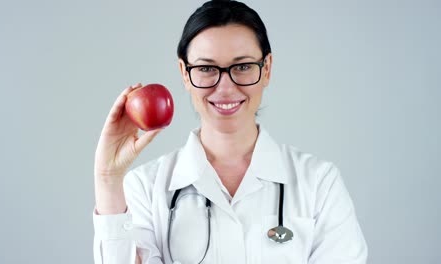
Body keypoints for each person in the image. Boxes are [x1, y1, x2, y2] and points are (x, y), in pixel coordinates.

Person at [93, 0, 368, 263]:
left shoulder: (319, 184)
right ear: (184, 73)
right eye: (206, 68)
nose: (225, 87)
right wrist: (108, 179)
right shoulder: (144, 188)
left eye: (243, 66)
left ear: (267, 68)